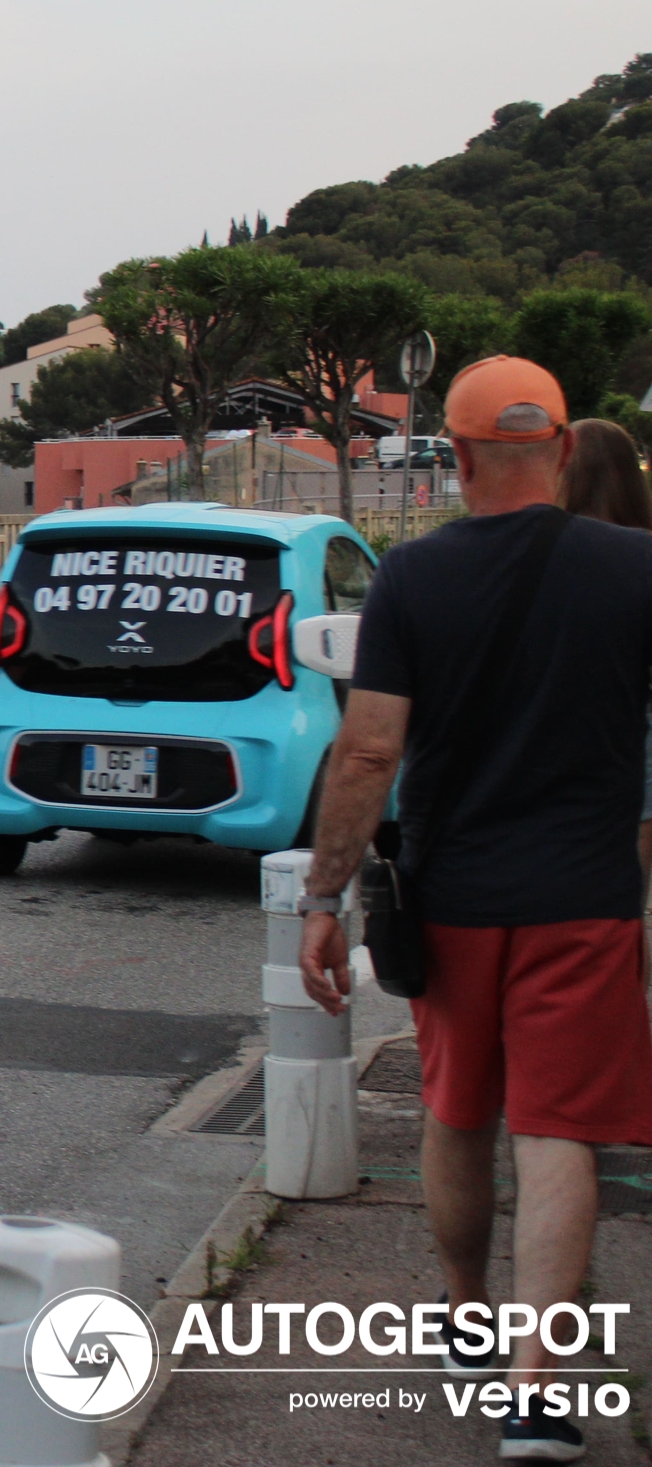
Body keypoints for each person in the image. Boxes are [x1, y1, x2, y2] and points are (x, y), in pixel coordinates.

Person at [301, 358, 652, 1464]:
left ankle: (463, 1317)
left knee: (456, 1112)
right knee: (557, 1133)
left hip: (451, 894)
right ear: (558, 445)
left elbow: (366, 751)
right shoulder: (637, 568)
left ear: (450, 458)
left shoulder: (409, 579)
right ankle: (536, 1392)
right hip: (585, 899)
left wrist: (321, 898)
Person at [555, 420, 652, 885]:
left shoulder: (547, 557)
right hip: (640, 757)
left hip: (569, 757)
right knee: (625, 910)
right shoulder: (644, 558)